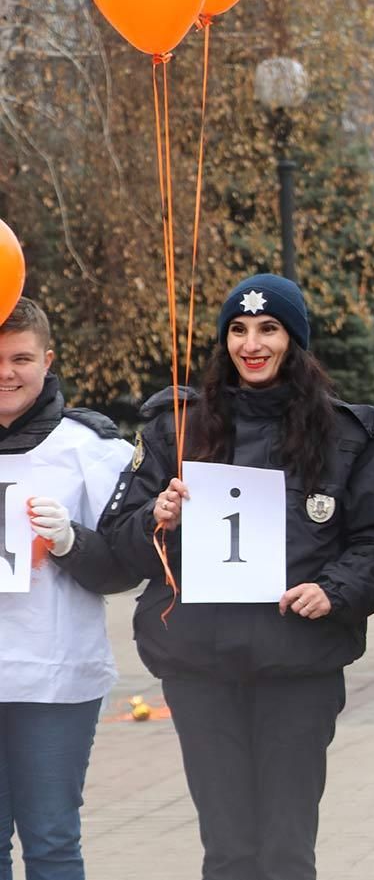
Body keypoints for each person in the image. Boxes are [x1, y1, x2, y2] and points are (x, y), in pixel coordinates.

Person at [100, 274, 374, 880]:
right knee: (229, 850)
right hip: (201, 666)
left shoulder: (346, 435)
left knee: (288, 850)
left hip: (298, 665)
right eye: (238, 331)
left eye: (269, 329)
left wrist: (334, 589)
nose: (252, 344)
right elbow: (119, 543)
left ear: (295, 340)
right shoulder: (175, 428)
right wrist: (156, 518)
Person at [0, 298, 132, 880]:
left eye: (21, 358)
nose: (7, 372)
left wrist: (70, 541)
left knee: (51, 837)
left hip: (52, 677)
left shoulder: (91, 448)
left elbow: (127, 566)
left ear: (48, 360)